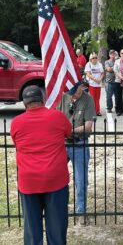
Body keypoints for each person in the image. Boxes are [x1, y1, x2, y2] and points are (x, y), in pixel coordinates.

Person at [10, 85, 71, 244]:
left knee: (32, 229)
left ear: (25, 104)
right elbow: (69, 133)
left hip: (29, 181)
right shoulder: (58, 117)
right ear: (43, 100)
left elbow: (16, 143)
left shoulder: (16, 123)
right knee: (57, 228)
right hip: (55, 179)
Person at [57, 81, 96, 224]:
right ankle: (58, 209)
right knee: (57, 178)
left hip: (80, 144)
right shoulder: (63, 97)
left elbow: (88, 126)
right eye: (70, 91)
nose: (73, 94)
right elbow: (55, 116)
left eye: (75, 90)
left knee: (81, 180)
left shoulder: (87, 99)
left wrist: (71, 131)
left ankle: (81, 211)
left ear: (82, 86)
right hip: (62, 145)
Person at [105, 49, 118, 113]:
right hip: (109, 82)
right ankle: (109, 108)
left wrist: (112, 68)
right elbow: (109, 69)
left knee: (117, 96)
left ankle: (117, 107)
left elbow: (120, 69)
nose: (113, 55)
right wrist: (115, 68)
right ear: (109, 55)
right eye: (112, 54)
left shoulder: (118, 61)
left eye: (114, 54)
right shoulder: (107, 62)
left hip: (117, 82)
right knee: (108, 96)